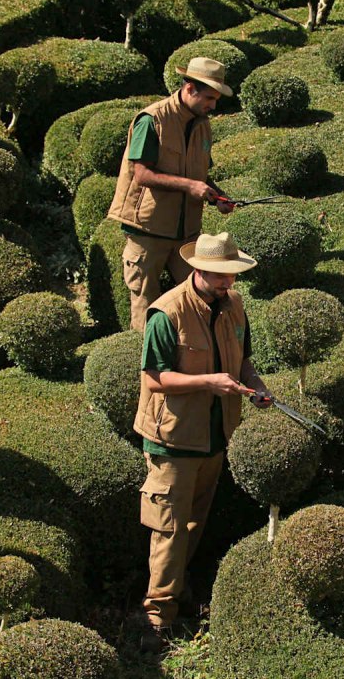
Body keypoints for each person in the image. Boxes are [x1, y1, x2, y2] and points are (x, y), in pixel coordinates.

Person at [134, 232, 272, 652]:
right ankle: (157, 618)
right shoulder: (167, 313)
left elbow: (243, 360)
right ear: (198, 270)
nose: (227, 283)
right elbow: (153, 378)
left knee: (194, 523)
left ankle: (179, 590)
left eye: (231, 276)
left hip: (215, 436)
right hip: (173, 441)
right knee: (170, 530)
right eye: (219, 276)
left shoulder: (234, 305)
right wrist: (207, 382)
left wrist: (256, 386)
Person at [107, 57, 236, 332]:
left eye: (216, 99)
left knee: (197, 301)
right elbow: (141, 174)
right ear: (190, 88)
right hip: (147, 232)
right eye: (209, 98)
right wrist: (190, 187)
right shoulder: (152, 120)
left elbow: (200, 174)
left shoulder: (202, 124)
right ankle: (146, 373)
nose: (213, 106)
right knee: (146, 312)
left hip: (186, 234)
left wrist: (217, 195)